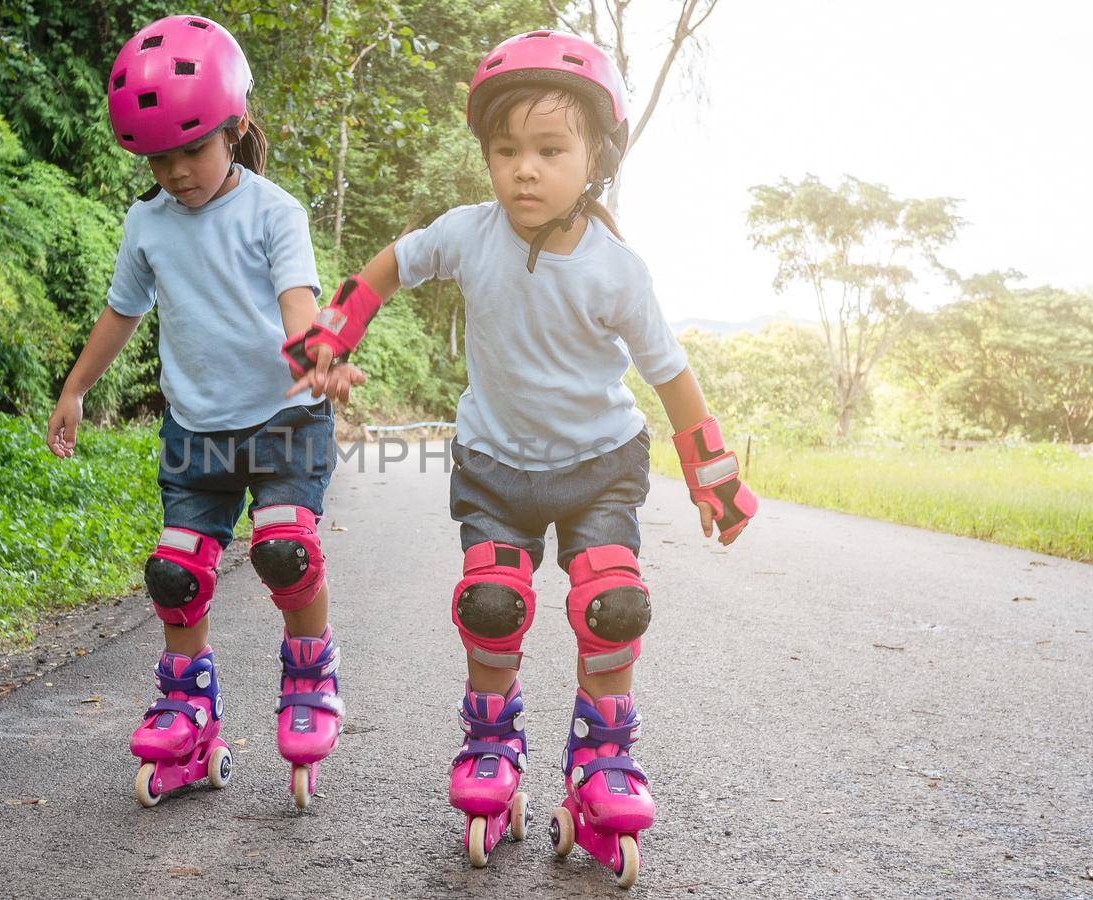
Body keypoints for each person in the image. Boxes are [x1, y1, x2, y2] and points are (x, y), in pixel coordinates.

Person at [282, 29, 757, 885]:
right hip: (496, 467)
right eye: (507, 151)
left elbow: (673, 379)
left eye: (549, 150)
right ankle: (492, 749)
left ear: (595, 160)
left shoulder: (619, 270)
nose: (524, 170)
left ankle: (603, 759)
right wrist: (330, 334)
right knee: (493, 606)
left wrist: (713, 476)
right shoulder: (468, 235)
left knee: (613, 605)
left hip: (600, 466)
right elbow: (390, 268)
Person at [48, 14, 364, 811]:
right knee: (174, 572)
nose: (177, 171)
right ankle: (189, 711)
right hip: (196, 431)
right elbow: (121, 312)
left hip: (283, 419)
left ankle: (308, 676)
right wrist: (76, 389)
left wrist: (316, 359)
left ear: (236, 128)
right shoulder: (146, 222)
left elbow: (299, 307)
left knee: (285, 550)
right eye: (159, 156)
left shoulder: (274, 212)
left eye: (192, 148)